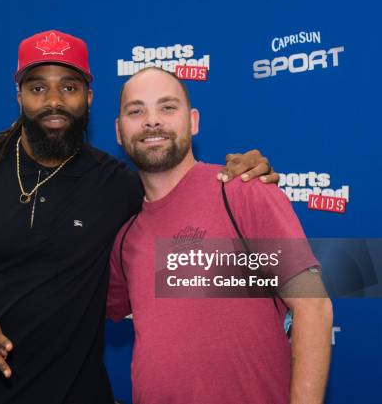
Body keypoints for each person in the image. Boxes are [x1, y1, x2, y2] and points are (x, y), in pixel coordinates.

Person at [0, 30, 279, 404]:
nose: (53, 101)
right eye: (37, 88)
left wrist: (245, 175)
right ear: (19, 97)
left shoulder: (119, 187)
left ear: (89, 98)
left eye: (69, 87)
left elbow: (181, 194)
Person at [107, 67, 333, 404]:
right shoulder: (126, 238)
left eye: (167, 108)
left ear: (193, 121)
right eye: (136, 111)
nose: (152, 121)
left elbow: (313, 308)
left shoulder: (243, 193)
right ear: (119, 131)